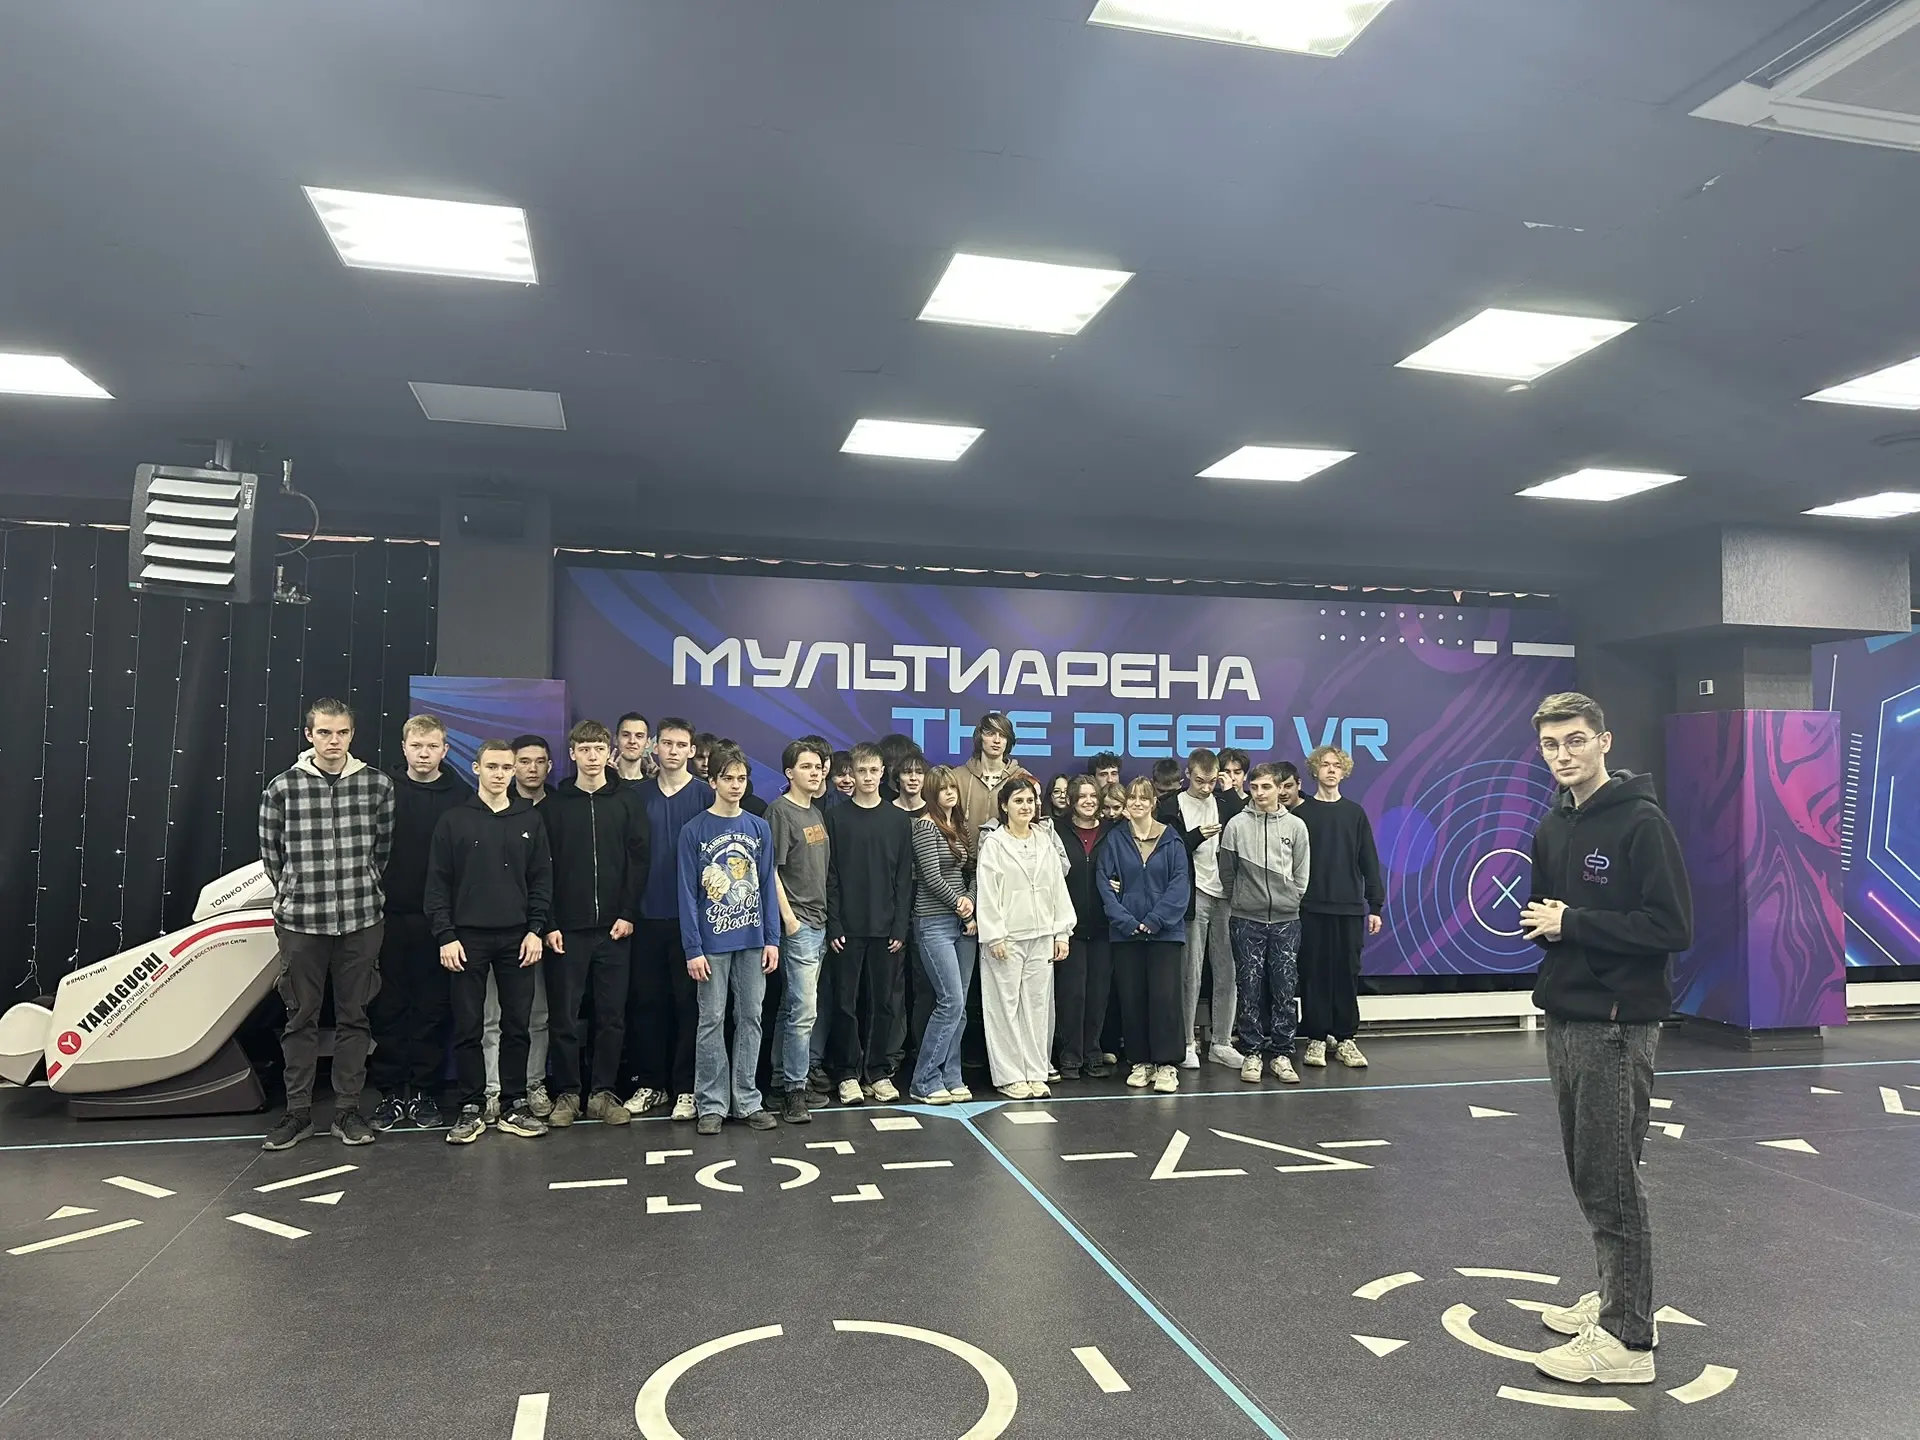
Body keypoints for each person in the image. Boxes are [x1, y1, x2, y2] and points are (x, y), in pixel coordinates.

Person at [1521, 692, 1692, 1387]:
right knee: (1592, 1172)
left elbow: (1671, 926)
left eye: (1575, 740)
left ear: (1604, 742)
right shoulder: (1552, 824)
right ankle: (1617, 1295)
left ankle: (1627, 1339)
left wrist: (1574, 924)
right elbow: (1549, 914)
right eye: (1551, 744)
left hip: (1618, 1024)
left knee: (1612, 1179)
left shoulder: (1642, 822)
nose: (1563, 754)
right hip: (1567, 1013)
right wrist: (1551, 927)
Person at [258, 698, 396, 1150]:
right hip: (302, 923)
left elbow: (382, 850)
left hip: (361, 919)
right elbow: (272, 857)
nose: (333, 741)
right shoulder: (283, 788)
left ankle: (348, 1111)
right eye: (324, 733)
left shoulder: (377, 785)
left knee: (355, 1017)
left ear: (351, 735)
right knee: (300, 1017)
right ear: (309, 735)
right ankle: (297, 1113)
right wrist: (297, 893)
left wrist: (360, 885)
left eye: (341, 733)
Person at [427, 740, 553, 1144]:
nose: (500, 774)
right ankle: (471, 1106)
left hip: (518, 937)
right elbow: (437, 883)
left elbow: (541, 880)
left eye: (506, 768)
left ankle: (515, 1104)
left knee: (517, 1025)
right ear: (476, 768)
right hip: (466, 939)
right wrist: (446, 935)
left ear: (514, 772)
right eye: (493, 766)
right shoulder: (454, 820)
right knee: (469, 1026)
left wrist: (535, 929)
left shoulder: (529, 818)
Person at [540, 720, 649, 1130]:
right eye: (584, 749)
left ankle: (603, 1093)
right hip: (565, 931)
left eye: (598, 748)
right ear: (572, 754)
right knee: (565, 1018)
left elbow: (639, 860)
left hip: (615, 930)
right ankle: (568, 1093)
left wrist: (628, 913)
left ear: (609, 753)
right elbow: (542, 869)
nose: (591, 756)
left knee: (611, 1016)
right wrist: (550, 922)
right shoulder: (553, 806)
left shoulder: (627, 802)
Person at [678, 741, 782, 1136]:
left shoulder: (759, 828)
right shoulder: (694, 830)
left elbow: (768, 885)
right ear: (713, 781)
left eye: (741, 778)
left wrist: (772, 938)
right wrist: (693, 948)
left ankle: (747, 1098)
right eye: (728, 778)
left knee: (751, 1017)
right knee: (711, 1019)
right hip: (711, 944)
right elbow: (687, 893)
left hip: (753, 940)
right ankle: (711, 1103)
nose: (736, 785)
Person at [369, 714, 467, 1132]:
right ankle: (391, 1092)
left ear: (445, 750)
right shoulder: (382, 790)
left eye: (432, 746)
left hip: (441, 923)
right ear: (404, 748)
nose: (424, 754)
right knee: (388, 1007)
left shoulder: (461, 796)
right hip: (389, 916)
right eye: (416, 746)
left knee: (432, 1008)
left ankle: (425, 1091)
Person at [623, 718, 715, 1121]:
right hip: (645, 917)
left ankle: (686, 1089)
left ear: (692, 751)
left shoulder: (706, 796)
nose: (673, 751)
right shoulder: (636, 796)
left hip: (691, 922)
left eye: (681, 744)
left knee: (689, 1006)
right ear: (654, 748)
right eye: (667, 743)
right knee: (647, 1004)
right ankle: (651, 1084)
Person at [823, 743, 915, 1104]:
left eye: (873, 771)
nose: (867, 777)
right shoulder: (835, 818)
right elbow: (830, 877)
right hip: (847, 929)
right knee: (845, 1003)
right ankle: (847, 1073)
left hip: (886, 928)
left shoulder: (897, 820)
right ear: (851, 774)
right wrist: (834, 924)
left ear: (883, 773)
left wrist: (899, 927)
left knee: (884, 1004)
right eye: (860, 771)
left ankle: (878, 1071)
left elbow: (904, 879)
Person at [976, 775, 1075, 1098]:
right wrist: (994, 935)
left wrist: (1062, 932)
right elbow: (988, 893)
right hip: (1006, 938)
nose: (1025, 806)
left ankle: (1035, 1071)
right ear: (1004, 806)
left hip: (1042, 935)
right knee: (1004, 1006)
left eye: (1030, 801)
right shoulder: (994, 844)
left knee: (1037, 1007)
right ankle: (1009, 1076)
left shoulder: (1044, 841)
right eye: (1018, 801)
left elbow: (1057, 889)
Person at [1217, 762, 1310, 1085]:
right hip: (1246, 919)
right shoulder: (1236, 825)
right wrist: (1241, 900)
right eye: (1254, 787)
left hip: (1286, 920)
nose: (1259, 793)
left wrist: (1291, 898)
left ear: (1280, 788)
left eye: (1266, 787)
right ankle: (1252, 1053)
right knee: (1249, 988)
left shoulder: (1296, 826)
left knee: (1285, 988)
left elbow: (1302, 872)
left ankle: (1282, 1054)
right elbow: (1227, 871)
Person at [1097, 778, 1191, 1094]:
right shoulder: (1114, 840)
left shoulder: (1172, 839)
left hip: (1165, 934)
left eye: (1144, 798)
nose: (1137, 803)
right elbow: (1104, 883)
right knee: (1132, 998)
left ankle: (1167, 1065)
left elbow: (1179, 886)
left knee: (1165, 998)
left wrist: (1154, 920)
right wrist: (1126, 921)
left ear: (1153, 803)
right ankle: (1141, 1062)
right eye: (1132, 798)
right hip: (1126, 935)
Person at [1295, 746, 1385, 1070]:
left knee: (1347, 973)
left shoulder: (1354, 813)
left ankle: (1346, 1038)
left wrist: (1375, 905)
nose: (1331, 770)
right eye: (1325, 765)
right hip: (1311, 907)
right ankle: (1317, 1038)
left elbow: (1368, 860)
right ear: (1314, 770)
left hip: (1348, 908)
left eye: (1336, 765)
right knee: (1314, 972)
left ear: (1344, 771)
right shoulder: (1301, 814)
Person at [1161, 748, 1245, 1072]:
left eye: (1211, 781)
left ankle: (1221, 1042)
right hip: (1193, 893)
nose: (1206, 787)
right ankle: (1186, 1042)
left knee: (1227, 970)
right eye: (1200, 781)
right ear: (1187, 774)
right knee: (1190, 973)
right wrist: (1195, 836)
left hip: (1225, 894)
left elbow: (1245, 817)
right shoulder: (1172, 805)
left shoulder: (1224, 802)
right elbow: (1167, 849)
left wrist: (1230, 789)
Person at [487, 732, 555, 1118]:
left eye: (539, 761)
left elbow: (547, 876)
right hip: (491, 930)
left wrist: (541, 926)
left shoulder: (557, 807)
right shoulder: (491, 810)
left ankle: (533, 1083)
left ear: (549, 766)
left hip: (539, 929)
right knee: (491, 1016)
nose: (532, 769)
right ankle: (493, 1089)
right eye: (523, 762)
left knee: (537, 1013)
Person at [769, 738, 830, 1124]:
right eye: (806, 767)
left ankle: (781, 1081)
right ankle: (795, 1090)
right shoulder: (780, 811)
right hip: (799, 925)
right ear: (789, 772)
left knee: (791, 1008)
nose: (815, 772)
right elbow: (771, 870)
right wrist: (789, 920)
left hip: (818, 923)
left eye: (818, 767)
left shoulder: (815, 812)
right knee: (804, 1012)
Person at [908, 765, 977, 1104]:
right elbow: (930, 877)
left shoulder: (960, 826)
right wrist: (959, 905)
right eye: (943, 789)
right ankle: (924, 1080)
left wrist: (971, 901)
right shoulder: (925, 826)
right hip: (934, 921)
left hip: (962, 923)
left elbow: (973, 870)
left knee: (959, 1006)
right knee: (949, 1001)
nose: (950, 793)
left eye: (953, 788)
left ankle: (951, 1076)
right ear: (932, 794)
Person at [1053, 775, 1114, 1080]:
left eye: (1093, 796)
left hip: (1104, 926)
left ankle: (1093, 1055)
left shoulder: (1113, 831)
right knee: (1071, 995)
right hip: (1070, 929)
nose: (1088, 801)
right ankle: (1070, 1057)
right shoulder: (1056, 831)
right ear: (1071, 801)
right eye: (1082, 796)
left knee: (1098, 995)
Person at [956, 712, 1023, 842]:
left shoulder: (1021, 778)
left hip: (1005, 852)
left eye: (1002, 735)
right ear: (980, 737)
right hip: (964, 853)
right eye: (991, 733)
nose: (997, 740)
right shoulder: (958, 777)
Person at [615, 712, 657, 782]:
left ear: (647, 742)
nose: (632, 741)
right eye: (626, 735)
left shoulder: (655, 784)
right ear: (616, 739)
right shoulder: (603, 782)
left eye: (639, 736)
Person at [892, 750, 929, 817]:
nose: (913, 778)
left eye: (919, 772)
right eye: (907, 772)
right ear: (897, 777)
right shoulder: (886, 811)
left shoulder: (933, 811)